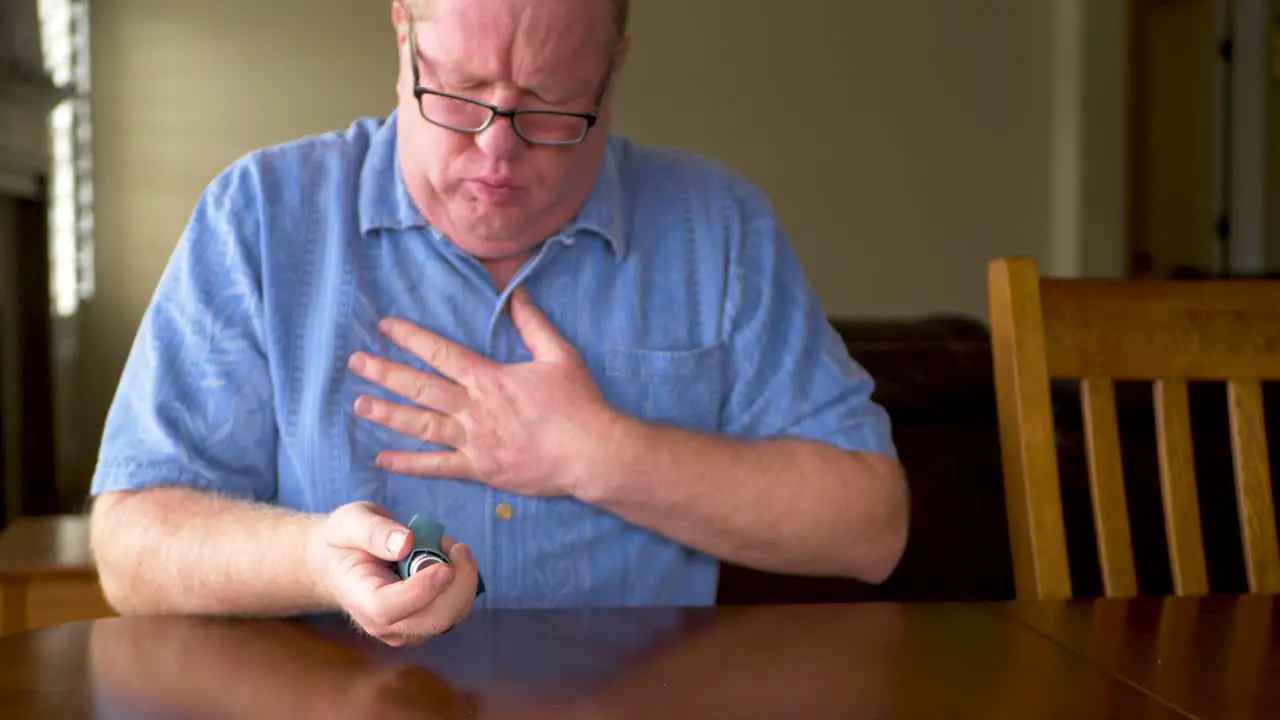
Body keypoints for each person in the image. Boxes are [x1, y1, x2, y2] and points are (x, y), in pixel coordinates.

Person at [88, 0, 909, 647]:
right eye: (458, 92)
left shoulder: (717, 228)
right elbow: (131, 549)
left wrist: (600, 456)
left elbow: (869, 528)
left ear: (612, 70)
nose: (494, 153)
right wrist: (315, 560)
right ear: (402, 28)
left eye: (550, 106)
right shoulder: (261, 216)